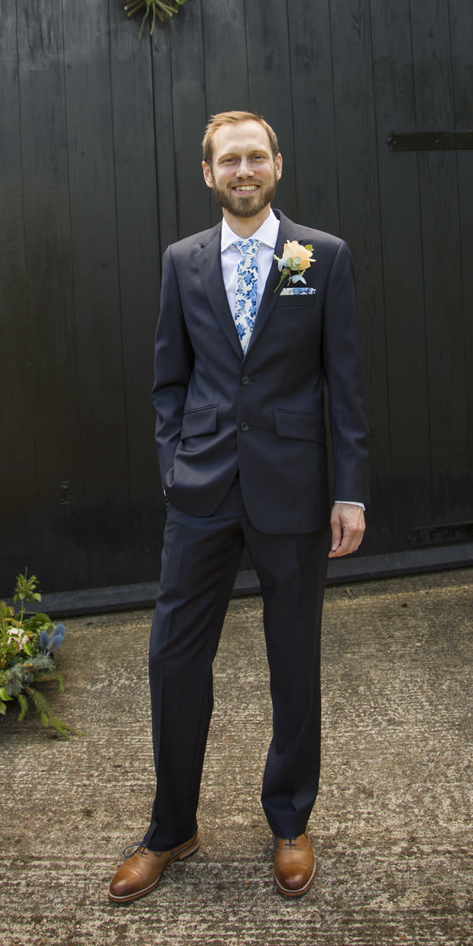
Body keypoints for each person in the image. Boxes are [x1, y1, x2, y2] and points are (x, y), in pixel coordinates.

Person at [108, 110, 369, 903]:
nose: (244, 169)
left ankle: (289, 821)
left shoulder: (318, 256)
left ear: (278, 165)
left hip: (293, 489)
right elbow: (168, 379)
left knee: (293, 657)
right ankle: (171, 827)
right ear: (208, 174)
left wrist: (349, 488)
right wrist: (173, 466)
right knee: (173, 658)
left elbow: (345, 382)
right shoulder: (182, 261)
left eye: (256, 156)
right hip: (202, 490)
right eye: (230, 160)